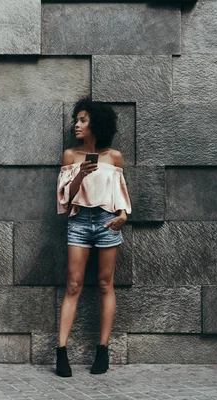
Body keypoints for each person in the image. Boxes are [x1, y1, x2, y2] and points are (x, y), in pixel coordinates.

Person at [55, 97, 132, 377]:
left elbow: (120, 196)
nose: (76, 124)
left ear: (96, 124)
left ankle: (102, 349)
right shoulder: (70, 156)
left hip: (106, 221)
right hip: (79, 221)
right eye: (77, 119)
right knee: (73, 284)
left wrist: (123, 215)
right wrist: (79, 177)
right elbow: (65, 203)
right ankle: (61, 352)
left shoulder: (114, 157)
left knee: (104, 283)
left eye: (83, 120)